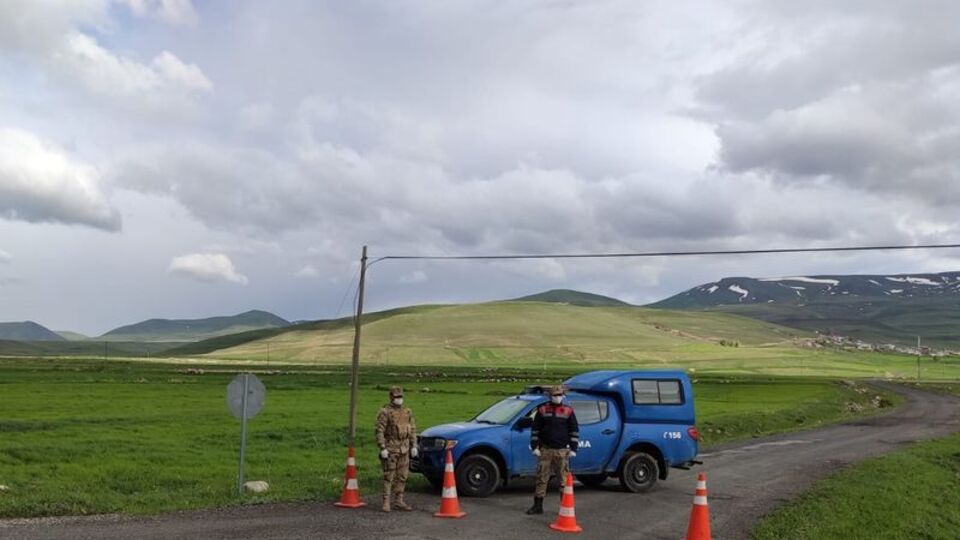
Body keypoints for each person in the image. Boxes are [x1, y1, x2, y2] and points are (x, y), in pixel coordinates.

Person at [526, 385, 579, 515]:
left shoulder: (568, 411)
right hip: (545, 450)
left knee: (563, 481)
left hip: (561, 450)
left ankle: (565, 507)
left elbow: (574, 430)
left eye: (559, 395)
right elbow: (535, 430)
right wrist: (534, 447)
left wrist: (573, 448)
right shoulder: (542, 410)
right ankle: (538, 506)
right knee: (541, 479)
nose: (558, 397)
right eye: (555, 395)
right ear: (550, 396)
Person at [375, 386, 418, 512]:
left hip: (404, 448)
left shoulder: (407, 412)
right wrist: (382, 447)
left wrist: (414, 445)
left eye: (401, 397)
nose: (399, 399)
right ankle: (386, 501)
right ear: (391, 397)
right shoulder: (385, 412)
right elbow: (379, 430)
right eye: (396, 397)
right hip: (391, 448)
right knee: (389, 475)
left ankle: (399, 500)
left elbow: (413, 429)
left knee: (403, 476)